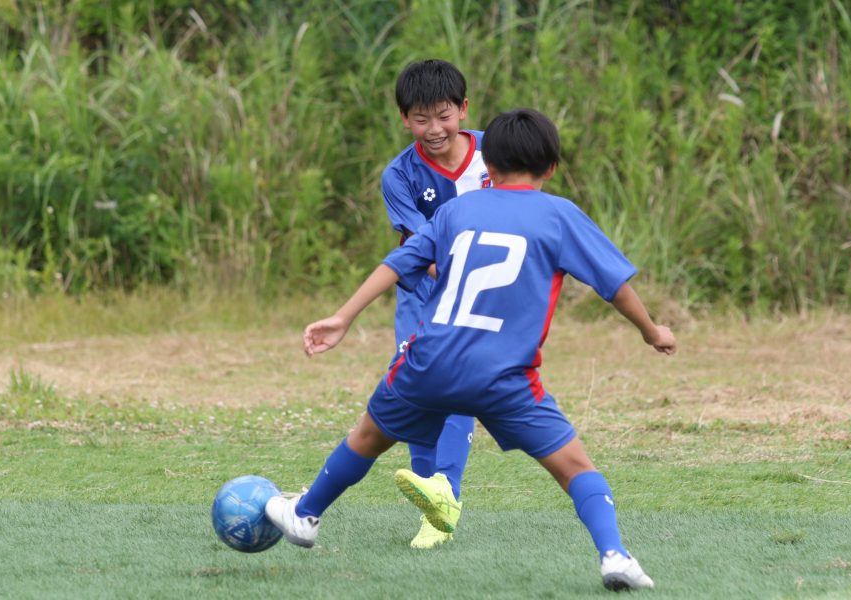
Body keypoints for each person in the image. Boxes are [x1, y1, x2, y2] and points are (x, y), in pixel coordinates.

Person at [266, 108, 676, 591]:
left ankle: (305, 514)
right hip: (505, 377)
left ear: (490, 166)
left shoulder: (456, 211)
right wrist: (652, 331)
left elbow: (398, 262)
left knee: (367, 438)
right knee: (575, 469)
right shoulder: (560, 215)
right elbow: (616, 288)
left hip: (429, 362)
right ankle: (614, 555)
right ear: (551, 168)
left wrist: (343, 317)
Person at [380, 59, 490, 549]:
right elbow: (420, 249)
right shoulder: (399, 175)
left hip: (479, 297)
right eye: (421, 119)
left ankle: (444, 495)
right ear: (405, 118)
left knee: (456, 384)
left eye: (443, 116)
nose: (434, 129)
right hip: (423, 295)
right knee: (417, 393)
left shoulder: (496, 152)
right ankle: (434, 503)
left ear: (463, 109)